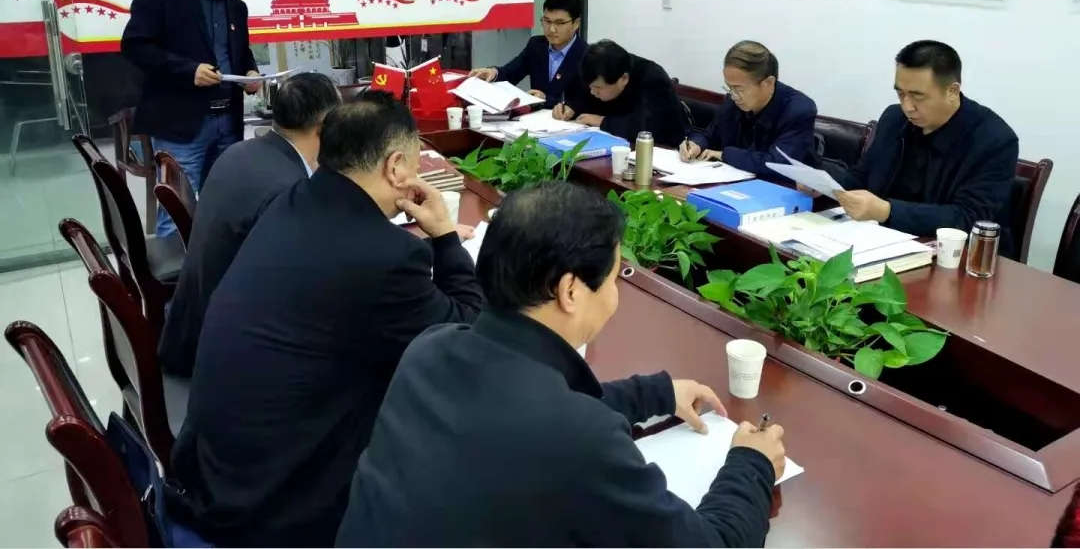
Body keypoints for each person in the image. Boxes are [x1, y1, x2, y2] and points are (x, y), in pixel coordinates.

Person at [336, 181, 786, 547]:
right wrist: (752, 463)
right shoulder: (580, 438)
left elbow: (522, 417)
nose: (615, 296)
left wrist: (655, 394)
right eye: (613, 279)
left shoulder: (430, 350)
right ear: (570, 291)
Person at [166, 92, 485, 546]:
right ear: (396, 167)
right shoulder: (385, 257)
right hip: (274, 506)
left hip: (216, 468)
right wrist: (446, 238)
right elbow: (468, 339)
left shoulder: (293, 199)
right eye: (414, 164)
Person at [157, 72, 340, 377]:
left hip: (193, 327)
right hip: (223, 361)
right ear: (326, 127)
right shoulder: (288, 192)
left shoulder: (241, 153)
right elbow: (305, 294)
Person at [121, 0, 262, 236]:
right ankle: (176, 267)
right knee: (177, 209)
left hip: (228, 121)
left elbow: (240, 52)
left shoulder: (236, 7)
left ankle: (216, 262)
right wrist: (188, 71)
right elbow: (135, 47)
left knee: (224, 204)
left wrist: (250, 72)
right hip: (181, 124)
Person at [825, 41, 1019, 251]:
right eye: (901, 94)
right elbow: (861, 179)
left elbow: (968, 218)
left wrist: (887, 211)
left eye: (918, 96)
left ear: (952, 91)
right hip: (880, 240)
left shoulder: (994, 140)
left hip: (953, 255)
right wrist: (824, 184)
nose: (907, 106)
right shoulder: (894, 119)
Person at [679, 41, 817, 178]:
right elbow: (709, 135)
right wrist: (696, 144)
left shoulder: (798, 110)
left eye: (739, 89)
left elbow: (778, 164)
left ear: (768, 83)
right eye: (729, 87)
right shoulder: (732, 101)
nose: (733, 95)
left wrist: (725, 155)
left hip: (786, 187)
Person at [555, 39, 687, 147]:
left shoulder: (653, 79)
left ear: (623, 78)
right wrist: (571, 107)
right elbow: (584, 97)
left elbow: (646, 129)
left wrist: (602, 122)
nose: (592, 92)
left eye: (597, 88)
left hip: (662, 151)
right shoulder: (596, 69)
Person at [468, 0, 584, 108]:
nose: (552, 29)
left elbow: (585, 103)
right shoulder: (536, 45)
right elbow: (510, 73)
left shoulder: (586, 55)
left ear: (576, 23)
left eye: (559, 23)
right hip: (533, 117)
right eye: (547, 21)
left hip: (568, 119)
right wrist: (493, 73)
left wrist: (546, 100)